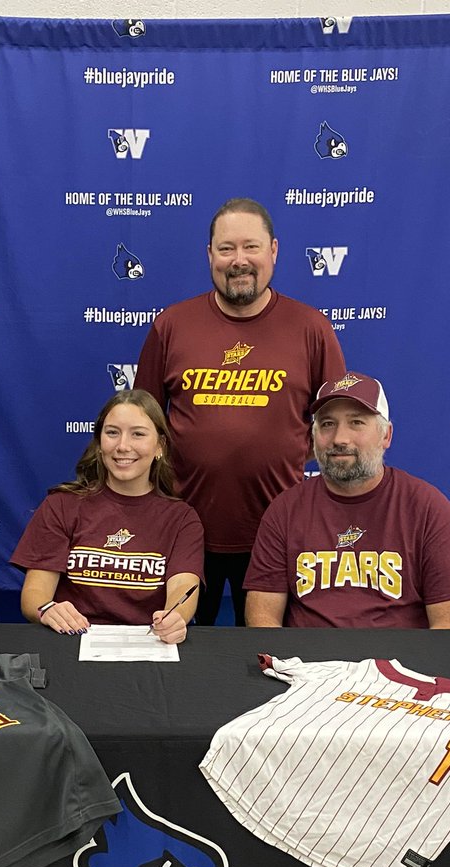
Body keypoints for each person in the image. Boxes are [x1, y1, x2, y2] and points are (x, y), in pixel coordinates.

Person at [134, 197, 345, 626]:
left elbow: (336, 426)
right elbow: (142, 422)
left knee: (273, 657)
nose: (239, 260)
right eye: (227, 248)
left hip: (277, 530)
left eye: (251, 247)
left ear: (274, 251)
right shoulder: (172, 325)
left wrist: (280, 451)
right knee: (181, 651)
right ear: (209, 254)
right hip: (185, 528)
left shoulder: (311, 328)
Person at [244, 371, 450, 628]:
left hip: (396, 664)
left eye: (356, 423)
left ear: (386, 436)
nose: (339, 439)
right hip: (309, 664)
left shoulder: (427, 509)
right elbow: (262, 618)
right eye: (327, 424)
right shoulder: (285, 510)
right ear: (313, 437)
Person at [11, 390, 203, 643]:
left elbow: (183, 587)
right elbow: (34, 594)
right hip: (71, 641)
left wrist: (174, 618)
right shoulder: (61, 505)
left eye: (138, 434)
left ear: (159, 446)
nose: (123, 446)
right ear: (100, 444)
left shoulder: (182, 518)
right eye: (112, 432)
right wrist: (48, 610)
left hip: (148, 645)